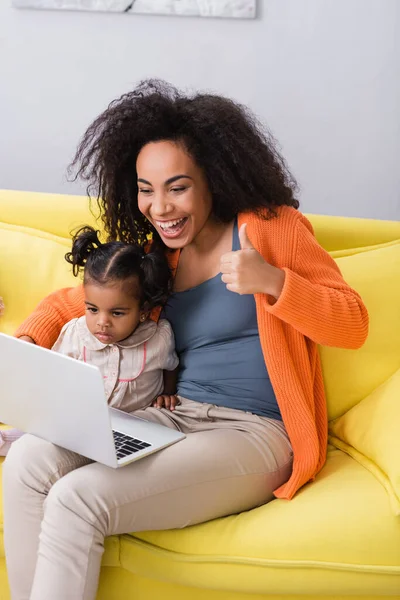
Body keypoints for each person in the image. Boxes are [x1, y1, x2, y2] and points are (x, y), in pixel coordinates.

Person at [3, 79, 369, 600]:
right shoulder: (160, 256)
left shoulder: (271, 229)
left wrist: (275, 282)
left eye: (177, 187)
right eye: (146, 189)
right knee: (27, 461)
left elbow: (353, 323)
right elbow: (74, 301)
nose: (160, 206)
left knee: (77, 499)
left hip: (254, 434)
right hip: (169, 421)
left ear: (213, 180)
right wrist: (27, 344)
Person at [0, 226, 179, 457]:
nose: (102, 322)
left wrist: (168, 392)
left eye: (117, 313)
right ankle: (13, 438)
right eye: (92, 309)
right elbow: (54, 375)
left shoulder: (159, 337)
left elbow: (170, 365)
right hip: (78, 422)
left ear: (143, 311)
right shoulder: (75, 333)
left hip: (129, 429)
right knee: (46, 435)